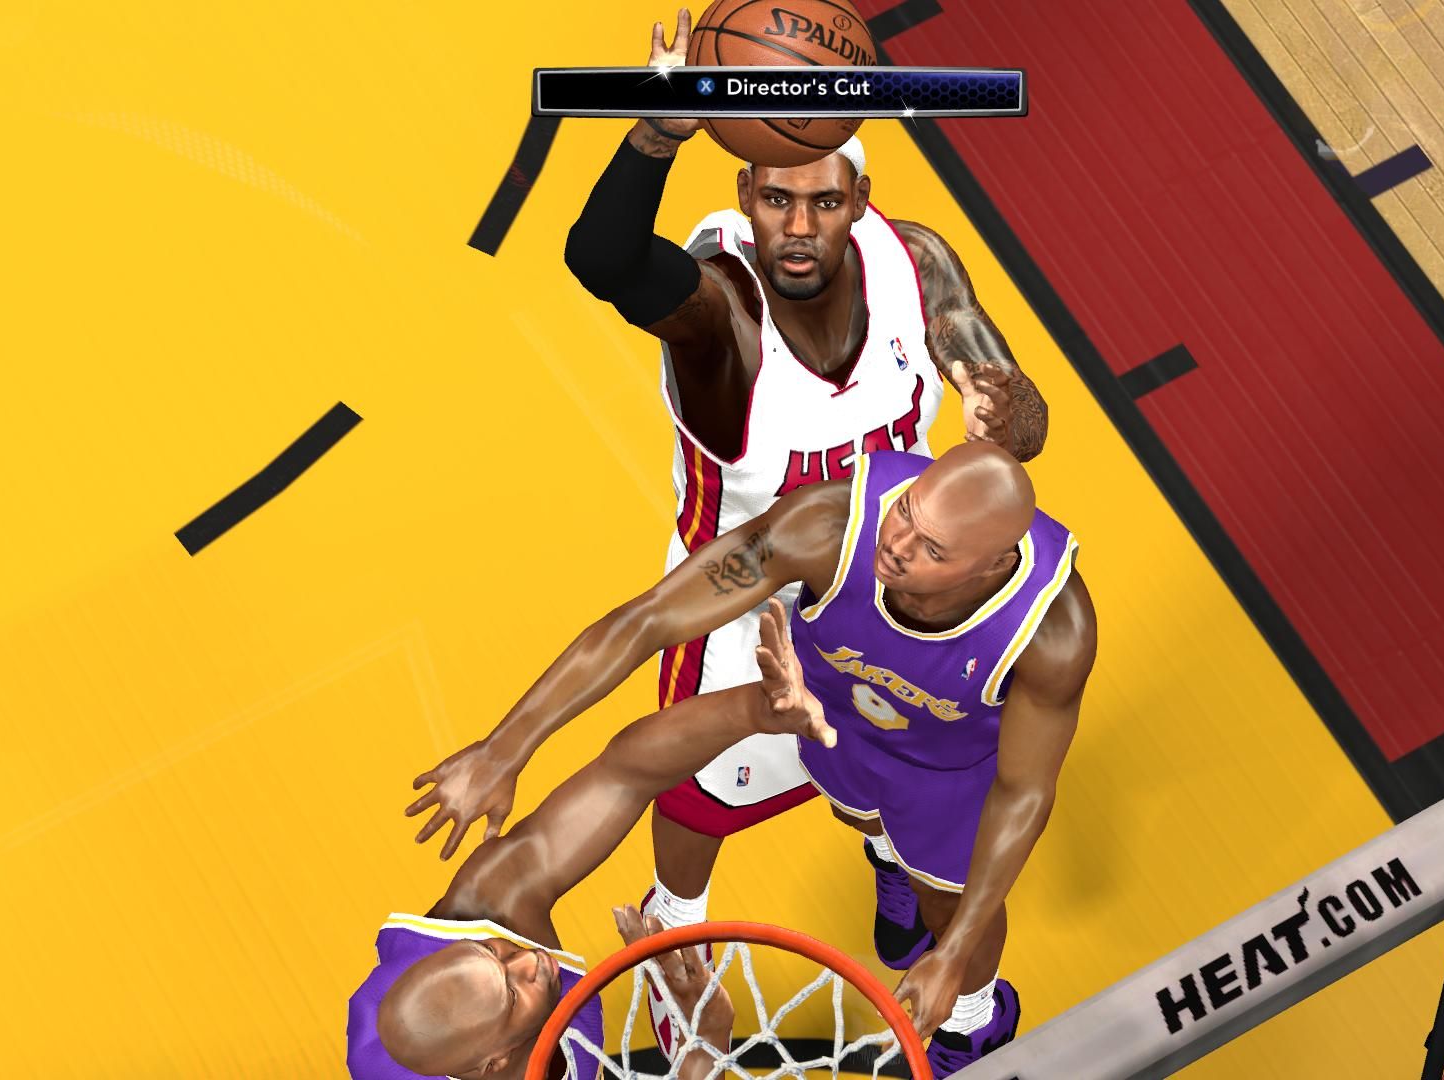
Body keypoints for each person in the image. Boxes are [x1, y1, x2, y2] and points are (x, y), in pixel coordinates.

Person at [554, 6, 1053, 1011]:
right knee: (694, 793)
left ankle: (889, 857)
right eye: (777, 199)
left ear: (858, 200)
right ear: (746, 194)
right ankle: (676, 933)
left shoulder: (917, 262)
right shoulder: (718, 311)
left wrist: (1014, 413)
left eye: (823, 201)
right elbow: (603, 259)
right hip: (746, 599)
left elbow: (1019, 419)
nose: (796, 225)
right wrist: (657, 131)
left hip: (891, 584)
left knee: (899, 767)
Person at [409, 443, 1097, 1076]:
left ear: (991, 566)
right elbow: (650, 618)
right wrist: (506, 748)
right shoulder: (828, 526)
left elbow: (1023, 791)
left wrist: (954, 955)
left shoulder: (1050, 631)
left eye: (932, 549)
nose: (896, 544)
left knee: (950, 904)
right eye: (905, 512)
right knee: (862, 816)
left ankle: (974, 1022)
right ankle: (888, 857)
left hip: (944, 766)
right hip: (833, 716)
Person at [352, 601, 837, 1079]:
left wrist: (755, 708)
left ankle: (675, 911)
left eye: (495, 954)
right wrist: (707, 1039)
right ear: (493, 1064)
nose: (528, 959)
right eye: (513, 992)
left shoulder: (488, 914)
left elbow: (624, 774)